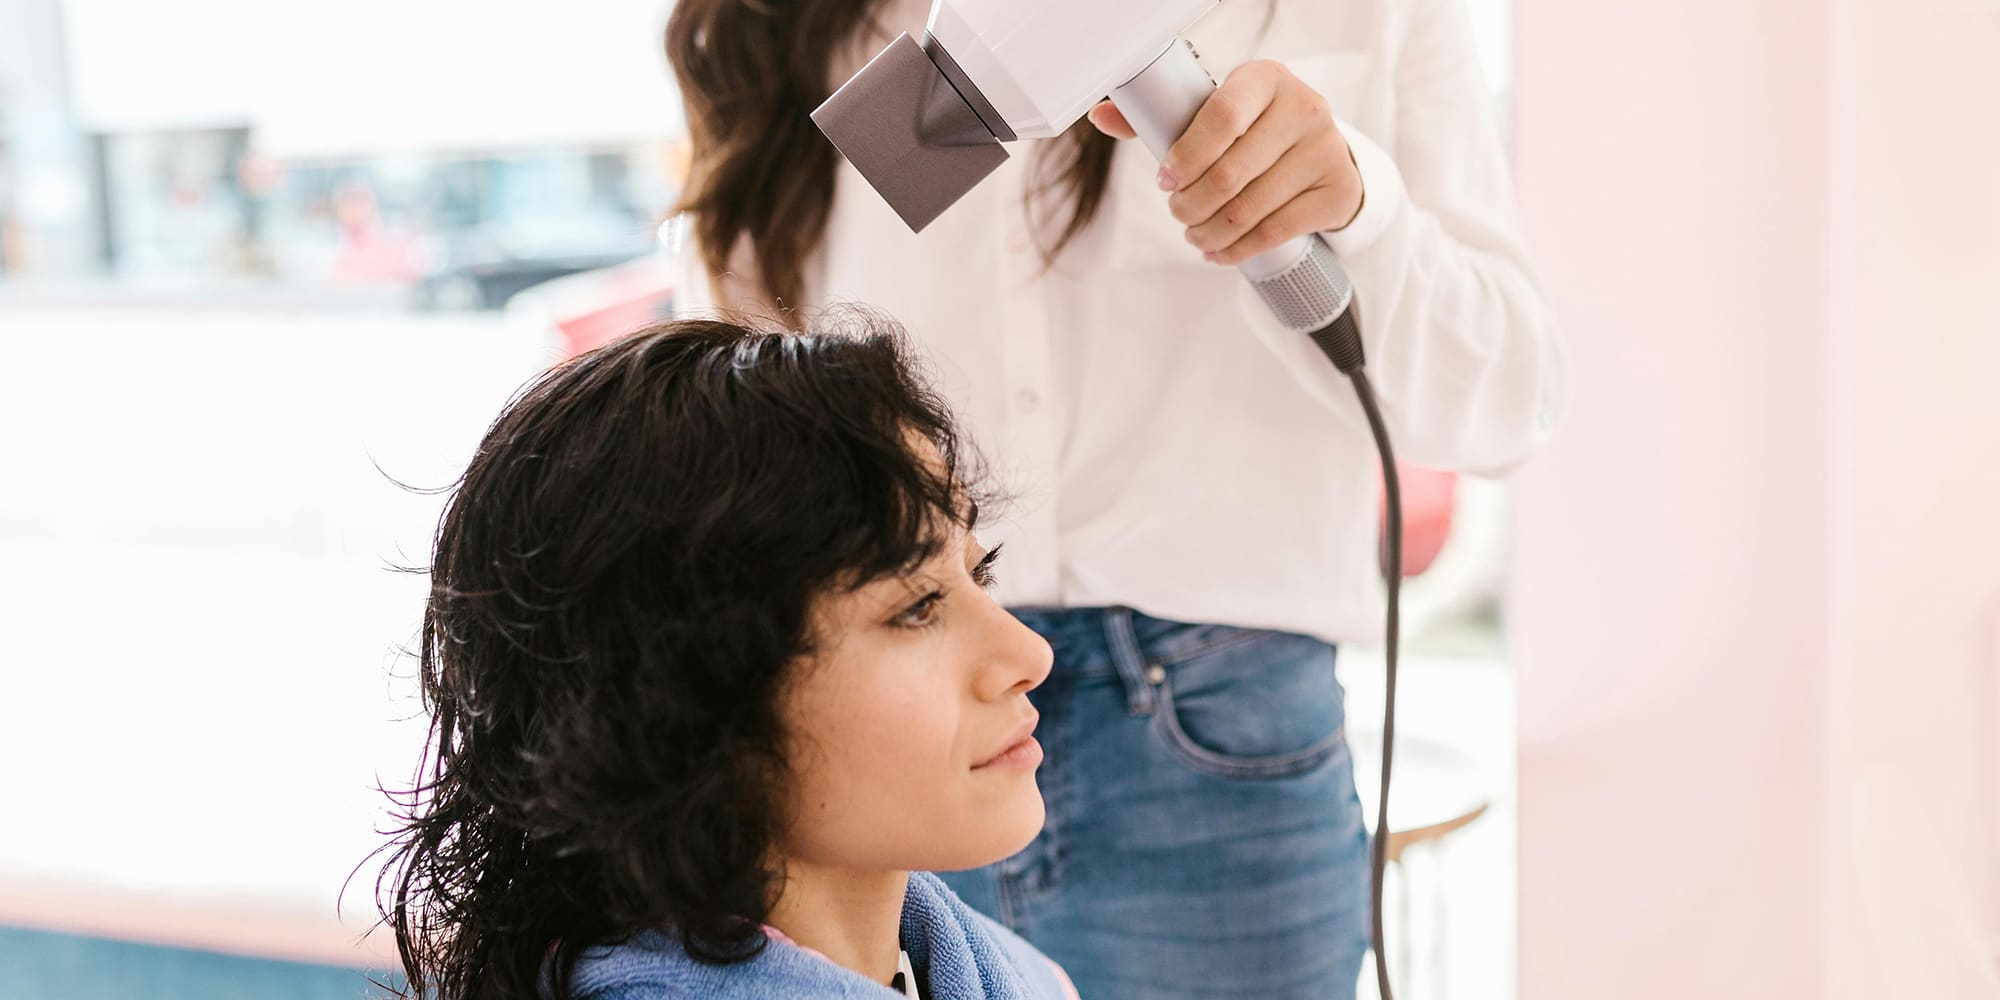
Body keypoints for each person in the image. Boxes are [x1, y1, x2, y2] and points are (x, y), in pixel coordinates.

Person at [666, 0, 1567, 995]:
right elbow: (743, 423)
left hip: (1213, 740)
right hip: (873, 731)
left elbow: (1506, 401)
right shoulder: (776, 26)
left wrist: (1355, 213)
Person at [374, 315, 1081, 1000]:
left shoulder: (1011, 975)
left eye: (978, 574)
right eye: (916, 608)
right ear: (682, 700)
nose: (1029, 653)